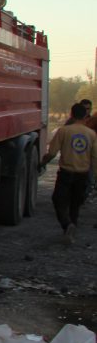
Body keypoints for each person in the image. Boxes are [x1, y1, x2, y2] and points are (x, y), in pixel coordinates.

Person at [41, 102, 97, 243]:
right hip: (82, 174)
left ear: (71, 114)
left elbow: (52, 152)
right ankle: (71, 231)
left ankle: (67, 225)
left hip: (66, 173)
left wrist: (42, 163)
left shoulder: (63, 131)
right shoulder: (91, 134)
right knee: (75, 204)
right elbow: (95, 157)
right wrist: (95, 176)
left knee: (58, 199)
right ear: (85, 115)